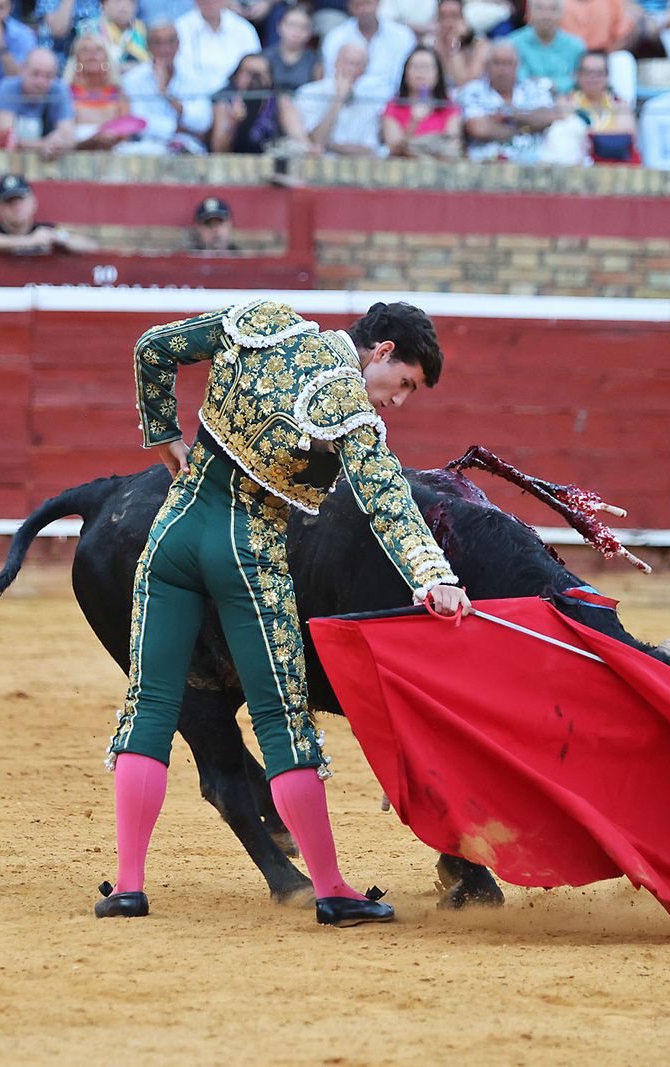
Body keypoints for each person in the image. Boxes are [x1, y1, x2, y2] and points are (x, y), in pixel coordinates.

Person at [100, 298, 469, 926]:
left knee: (151, 706)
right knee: (281, 721)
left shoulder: (262, 322)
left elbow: (152, 348)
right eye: (404, 382)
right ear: (381, 351)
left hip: (172, 533)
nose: (399, 400)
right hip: (248, 553)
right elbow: (388, 503)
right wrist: (434, 577)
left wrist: (162, 432)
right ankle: (331, 890)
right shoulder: (348, 408)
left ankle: (128, 887)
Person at [458, 39, 563, 162]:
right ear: (486, 65)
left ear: (517, 66)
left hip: (533, 163)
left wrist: (509, 113)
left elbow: (548, 117)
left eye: (508, 63)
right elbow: (478, 128)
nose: (503, 70)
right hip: (486, 163)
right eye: (497, 63)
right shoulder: (472, 91)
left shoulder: (533, 89)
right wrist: (527, 128)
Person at [119, 19, 212, 153]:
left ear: (178, 44)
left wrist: (167, 95)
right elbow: (140, 123)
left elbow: (203, 122)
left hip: (187, 149)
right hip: (146, 149)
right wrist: (179, 129)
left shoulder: (195, 77)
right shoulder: (132, 79)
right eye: (157, 42)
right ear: (147, 46)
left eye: (170, 42)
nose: (165, 49)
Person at [282, 40, 388, 154]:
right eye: (347, 62)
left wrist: (331, 145)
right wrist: (338, 100)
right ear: (336, 63)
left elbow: (369, 151)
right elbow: (316, 142)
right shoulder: (310, 93)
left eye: (358, 65)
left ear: (364, 70)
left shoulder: (368, 101)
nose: (351, 69)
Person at [0, 174, 98, 253]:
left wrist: (56, 237)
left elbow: (91, 246)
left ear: (33, 203)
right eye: (9, 202)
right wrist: (30, 241)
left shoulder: (46, 230)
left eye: (21, 201)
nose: (16, 207)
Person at [0, 47, 78, 156]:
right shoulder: (7, 87)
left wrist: (57, 142)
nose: (41, 81)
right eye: (35, 74)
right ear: (23, 70)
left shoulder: (60, 89)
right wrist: (43, 144)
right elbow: (5, 136)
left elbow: (69, 137)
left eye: (48, 76)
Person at [382, 44, 461, 157]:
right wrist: (414, 122)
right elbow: (394, 150)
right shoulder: (394, 106)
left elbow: (452, 144)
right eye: (415, 67)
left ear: (438, 74)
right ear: (405, 73)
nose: (421, 72)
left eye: (427, 67)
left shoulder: (448, 106)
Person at [66, 29, 141, 148]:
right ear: (76, 58)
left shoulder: (119, 93)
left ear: (106, 57)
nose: (92, 54)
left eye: (98, 49)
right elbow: (63, 130)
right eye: (85, 49)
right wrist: (92, 140)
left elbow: (126, 133)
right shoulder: (66, 93)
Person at [321, 0, 417, 92]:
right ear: (349, 6)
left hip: (395, 99)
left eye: (367, 3)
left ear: (377, 2)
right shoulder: (335, 37)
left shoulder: (403, 35)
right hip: (346, 99)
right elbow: (331, 77)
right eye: (357, 5)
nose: (364, 10)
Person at [175, 0, 260, 95]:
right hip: (193, 98)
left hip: (236, 98)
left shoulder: (244, 29)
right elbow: (181, 74)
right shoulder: (179, 29)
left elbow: (254, 68)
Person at [508, 0, 585, 93]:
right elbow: (516, 77)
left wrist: (552, 85)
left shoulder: (576, 47)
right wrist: (549, 85)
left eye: (553, 9)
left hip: (566, 98)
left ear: (562, 14)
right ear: (529, 13)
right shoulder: (512, 44)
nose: (546, 16)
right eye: (540, 9)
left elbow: (579, 79)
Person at [210, 50, 280, 151]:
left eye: (262, 73)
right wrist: (233, 123)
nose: (255, 79)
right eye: (249, 73)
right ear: (236, 76)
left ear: (271, 78)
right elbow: (219, 150)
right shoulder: (225, 103)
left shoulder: (280, 102)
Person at [263, 4, 321, 95]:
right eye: (292, 25)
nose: (296, 32)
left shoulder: (316, 62)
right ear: (279, 26)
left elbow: (318, 95)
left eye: (303, 27)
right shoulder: (264, 57)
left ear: (310, 32)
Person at [434, 0, 487, 87]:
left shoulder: (477, 43)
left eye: (454, 16)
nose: (448, 23)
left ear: (463, 19)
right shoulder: (433, 45)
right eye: (443, 17)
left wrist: (455, 44)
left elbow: (465, 85)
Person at [92, 0, 150, 75]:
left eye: (129, 1)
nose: (123, 6)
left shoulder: (144, 30)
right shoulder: (91, 30)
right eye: (117, 1)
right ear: (104, 5)